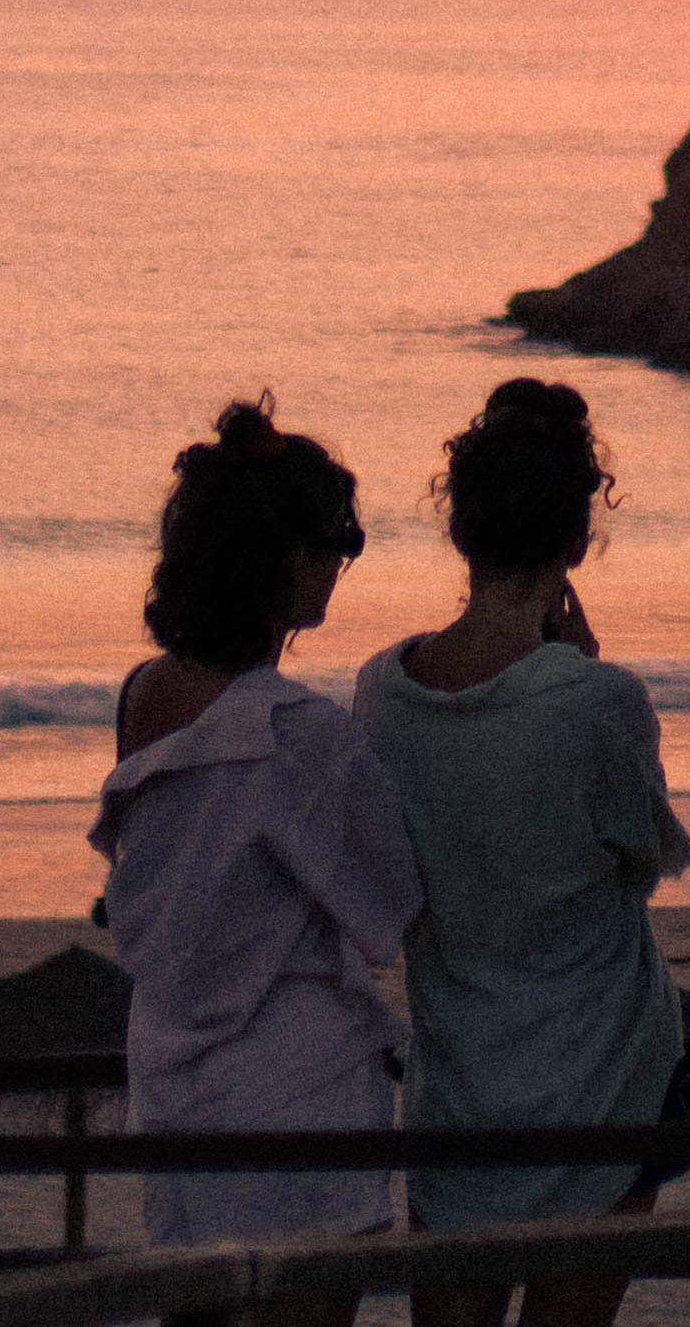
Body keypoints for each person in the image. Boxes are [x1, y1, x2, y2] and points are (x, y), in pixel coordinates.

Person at [354, 378, 690, 1327]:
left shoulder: (381, 691)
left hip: (461, 1069)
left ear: (460, 530)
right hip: (603, 1067)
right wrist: (579, 674)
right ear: (578, 537)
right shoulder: (598, 700)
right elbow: (643, 858)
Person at [89, 397, 422, 1327]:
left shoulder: (143, 695)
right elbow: (390, 906)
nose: (342, 567)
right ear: (286, 562)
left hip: (172, 1074)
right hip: (298, 1085)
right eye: (338, 544)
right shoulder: (298, 735)